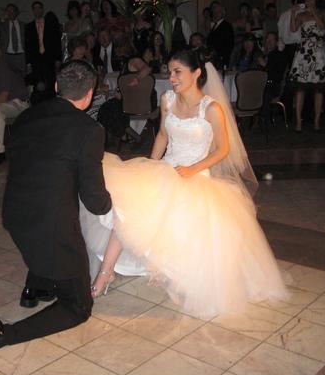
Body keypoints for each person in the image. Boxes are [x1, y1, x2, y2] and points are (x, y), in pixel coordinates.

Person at [81, 49, 288, 317]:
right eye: (170, 72)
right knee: (128, 209)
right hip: (167, 167)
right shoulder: (167, 99)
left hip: (196, 172)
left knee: (182, 217)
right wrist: (152, 165)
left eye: (178, 72)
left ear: (196, 73)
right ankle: (105, 273)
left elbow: (223, 149)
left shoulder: (211, 108)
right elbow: (162, 135)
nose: (172, 77)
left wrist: (193, 169)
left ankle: (168, 269)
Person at [0, 61, 111, 367]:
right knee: (78, 308)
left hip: (15, 214)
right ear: (90, 94)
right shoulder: (89, 129)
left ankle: (36, 286)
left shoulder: (26, 116)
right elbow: (94, 201)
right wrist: (112, 205)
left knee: (49, 239)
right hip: (50, 227)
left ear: (57, 87)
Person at [289, 0, 325, 132]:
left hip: (319, 52)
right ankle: (298, 122)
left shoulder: (323, 12)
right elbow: (293, 29)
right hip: (304, 52)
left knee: (319, 89)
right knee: (300, 88)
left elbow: (323, 28)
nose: (309, 1)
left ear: (316, 0)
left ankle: (316, 121)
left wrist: (313, 13)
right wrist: (293, 13)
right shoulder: (301, 15)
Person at [25, 1, 62, 101]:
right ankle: (39, 104)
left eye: (39, 8)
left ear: (42, 10)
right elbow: (27, 46)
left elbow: (57, 42)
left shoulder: (51, 24)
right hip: (36, 59)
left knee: (50, 81)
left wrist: (58, 59)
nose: (37, 10)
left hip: (49, 57)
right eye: (35, 8)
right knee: (37, 83)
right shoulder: (28, 27)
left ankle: (51, 102)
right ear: (33, 11)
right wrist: (28, 63)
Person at [0, 3, 26, 78]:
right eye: (8, 11)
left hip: (20, 56)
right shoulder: (2, 24)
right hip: (7, 56)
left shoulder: (23, 25)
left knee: (21, 78)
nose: (10, 12)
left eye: (12, 10)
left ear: (16, 12)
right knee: (7, 77)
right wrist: (1, 20)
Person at [207, 1, 234, 69]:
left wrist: (221, 56)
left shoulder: (227, 26)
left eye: (218, 12)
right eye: (214, 12)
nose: (215, 14)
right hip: (214, 58)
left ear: (223, 14)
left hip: (221, 59)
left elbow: (229, 44)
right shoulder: (215, 26)